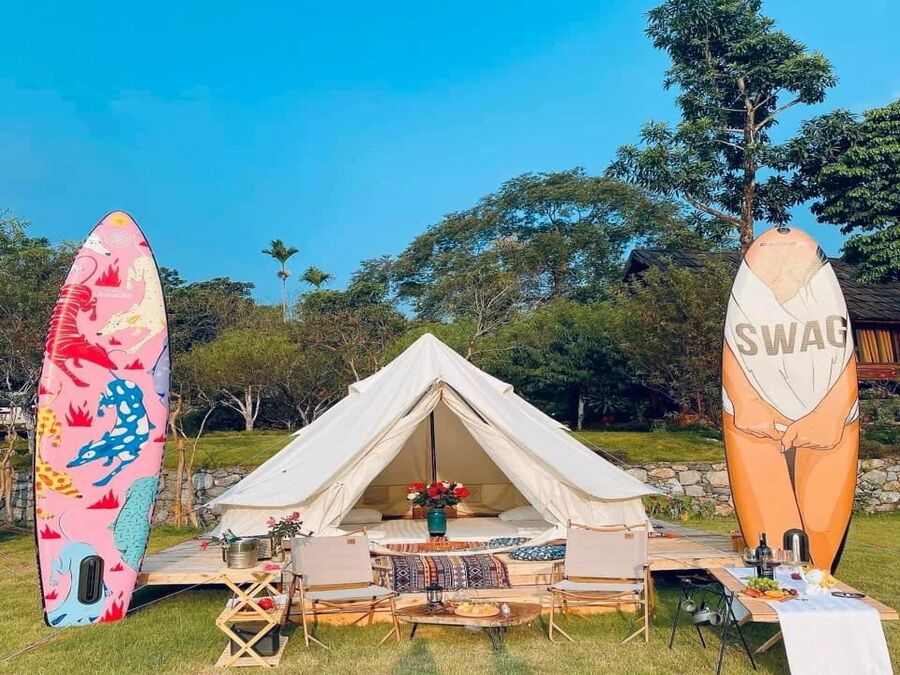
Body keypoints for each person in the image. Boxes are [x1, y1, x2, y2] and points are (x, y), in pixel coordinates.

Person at [722, 226, 858, 571]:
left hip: (830, 412)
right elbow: (735, 356)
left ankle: (820, 578)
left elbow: (843, 358)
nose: (783, 274)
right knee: (773, 521)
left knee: (819, 523)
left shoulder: (819, 300)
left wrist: (832, 412)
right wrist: (746, 403)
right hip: (754, 423)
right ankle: (781, 582)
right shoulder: (750, 302)